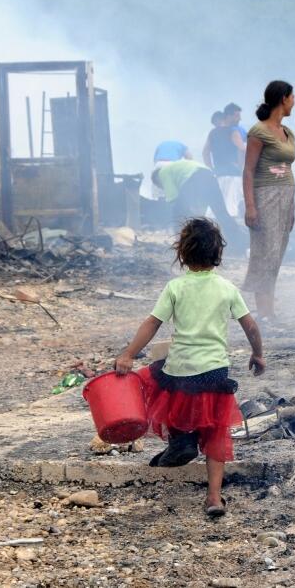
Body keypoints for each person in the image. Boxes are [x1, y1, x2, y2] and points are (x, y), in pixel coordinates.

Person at [114, 218, 265, 517]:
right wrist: (257, 354)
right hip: (215, 373)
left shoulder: (175, 287)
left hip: (180, 371)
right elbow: (250, 326)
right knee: (215, 433)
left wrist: (129, 353)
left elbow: (153, 323)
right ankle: (213, 498)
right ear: (217, 253)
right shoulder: (227, 288)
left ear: (182, 253)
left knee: (161, 388)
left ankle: (181, 441)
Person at [243, 80, 295, 321]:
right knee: (265, 252)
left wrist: (291, 203)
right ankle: (264, 312)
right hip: (266, 196)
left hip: (285, 197)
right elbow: (248, 170)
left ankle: (269, 311)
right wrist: (250, 206)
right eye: (292, 97)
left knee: (277, 253)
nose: (294, 101)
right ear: (283, 99)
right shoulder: (259, 131)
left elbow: (285, 167)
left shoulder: (288, 133)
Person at [151, 159, 245, 246]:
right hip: (209, 176)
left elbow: (173, 198)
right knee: (221, 212)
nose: (163, 187)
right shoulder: (175, 169)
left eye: (161, 186)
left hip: (194, 178)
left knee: (179, 212)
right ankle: (238, 244)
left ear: (156, 179)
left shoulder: (162, 173)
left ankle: (181, 243)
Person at [203, 110, 245, 217]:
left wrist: (211, 168)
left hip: (223, 173)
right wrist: (241, 167)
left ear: (220, 119)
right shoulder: (230, 131)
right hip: (231, 173)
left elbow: (205, 152)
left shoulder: (214, 132)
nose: (216, 126)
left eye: (216, 123)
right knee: (232, 203)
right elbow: (242, 149)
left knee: (222, 204)